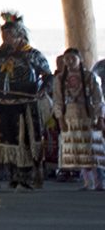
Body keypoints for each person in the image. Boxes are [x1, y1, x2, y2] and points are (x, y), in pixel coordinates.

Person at [0, 12, 51, 190]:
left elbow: (48, 76)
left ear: (19, 36)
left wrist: (44, 90)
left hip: (24, 106)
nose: (5, 39)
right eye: (3, 36)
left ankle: (24, 178)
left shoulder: (32, 55)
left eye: (8, 35)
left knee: (23, 142)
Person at [54, 48, 104, 190]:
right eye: (66, 59)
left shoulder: (90, 76)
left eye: (72, 58)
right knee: (79, 149)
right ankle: (88, 181)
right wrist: (60, 119)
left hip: (88, 115)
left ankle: (100, 180)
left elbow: (97, 99)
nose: (69, 61)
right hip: (69, 115)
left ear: (79, 59)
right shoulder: (60, 78)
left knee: (92, 148)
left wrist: (100, 117)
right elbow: (57, 100)